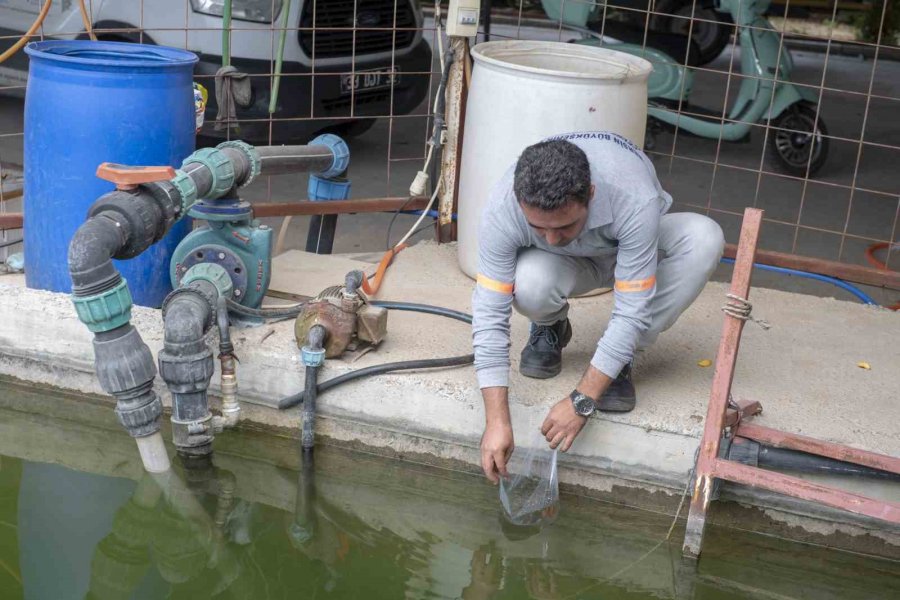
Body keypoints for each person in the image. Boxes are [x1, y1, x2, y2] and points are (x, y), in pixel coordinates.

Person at [471, 132, 725, 483]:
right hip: (562, 266)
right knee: (528, 283)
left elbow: (632, 308)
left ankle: (619, 360)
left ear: (589, 193)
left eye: (564, 225)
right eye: (537, 228)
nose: (551, 238)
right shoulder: (503, 207)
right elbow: (489, 313)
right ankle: (550, 325)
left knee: (704, 237)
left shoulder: (633, 196)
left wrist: (582, 399)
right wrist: (496, 422)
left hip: (633, 252)